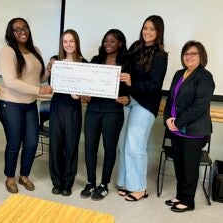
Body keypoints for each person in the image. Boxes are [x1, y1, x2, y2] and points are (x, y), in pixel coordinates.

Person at [0, 17, 52, 194]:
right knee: (14, 143)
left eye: (25, 27)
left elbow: (39, 77)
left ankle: (24, 176)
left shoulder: (35, 50)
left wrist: (49, 69)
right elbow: (11, 82)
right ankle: (10, 177)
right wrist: (39, 90)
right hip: (10, 103)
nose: (22, 31)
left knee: (32, 142)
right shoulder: (8, 51)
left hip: (29, 104)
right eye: (17, 29)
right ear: (11, 33)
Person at [117, 15, 168, 201]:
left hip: (146, 105)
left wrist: (132, 82)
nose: (147, 32)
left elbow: (154, 86)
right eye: (145, 27)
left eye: (152, 29)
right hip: (130, 101)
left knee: (135, 146)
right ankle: (125, 182)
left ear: (159, 32)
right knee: (123, 144)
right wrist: (124, 94)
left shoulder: (161, 56)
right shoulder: (135, 48)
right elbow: (124, 73)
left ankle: (139, 188)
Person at [163, 40, 215, 212]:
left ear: (201, 56)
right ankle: (180, 196)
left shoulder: (205, 77)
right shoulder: (179, 73)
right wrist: (168, 118)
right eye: (186, 53)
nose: (189, 57)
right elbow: (171, 99)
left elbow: (199, 106)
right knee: (179, 165)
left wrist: (177, 122)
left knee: (189, 166)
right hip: (176, 129)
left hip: (193, 131)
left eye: (193, 53)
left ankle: (188, 201)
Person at [81, 29, 129, 200]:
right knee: (90, 147)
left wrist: (128, 99)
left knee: (109, 148)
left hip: (113, 111)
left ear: (120, 44)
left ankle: (104, 184)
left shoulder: (126, 63)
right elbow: (88, 84)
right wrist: (85, 94)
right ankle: (91, 182)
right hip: (93, 109)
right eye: (105, 41)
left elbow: (131, 88)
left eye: (112, 41)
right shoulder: (96, 60)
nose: (108, 45)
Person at [49, 29, 87, 196]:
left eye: (71, 41)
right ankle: (57, 182)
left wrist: (78, 93)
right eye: (65, 41)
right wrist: (49, 69)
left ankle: (67, 183)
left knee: (71, 145)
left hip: (73, 107)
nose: (68, 44)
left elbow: (87, 92)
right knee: (56, 145)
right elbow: (49, 83)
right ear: (61, 44)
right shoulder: (56, 61)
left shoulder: (84, 63)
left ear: (76, 42)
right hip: (57, 105)